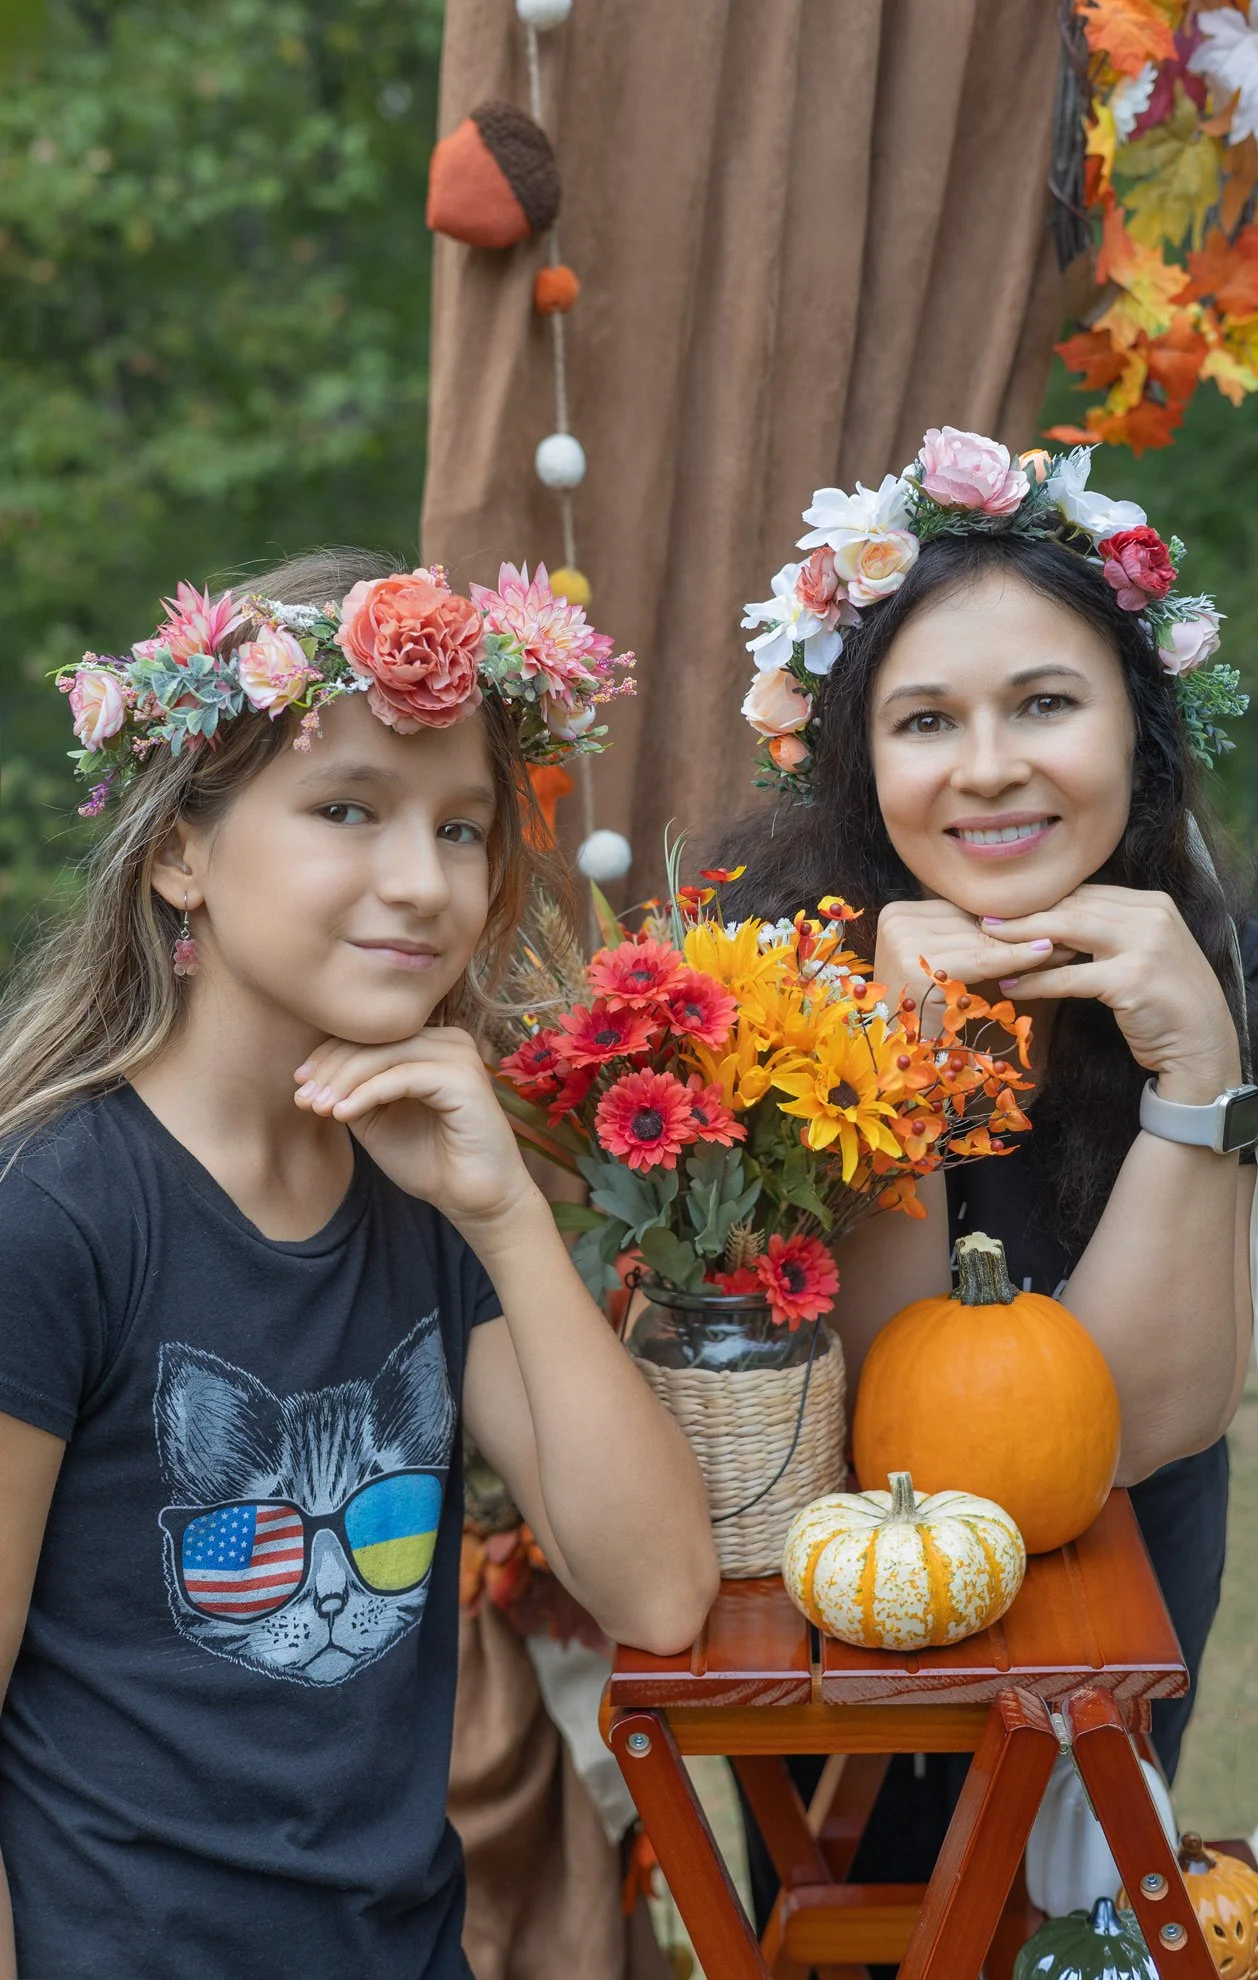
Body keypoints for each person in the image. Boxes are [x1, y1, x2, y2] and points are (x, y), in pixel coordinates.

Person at [0, 551, 719, 1980]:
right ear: (179, 851)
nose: (424, 884)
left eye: (462, 830)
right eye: (349, 811)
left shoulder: (431, 1192)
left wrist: (507, 1213)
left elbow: (659, 1594)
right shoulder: (54, 1218)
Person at [716, 428, 1258, 1937]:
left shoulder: (1241, 987)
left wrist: (1192, 1071)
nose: (988, 768)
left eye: (1045, 703)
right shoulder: (768, 980)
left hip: (1113, 1594)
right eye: (926, 720)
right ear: (858, 755)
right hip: (840, 1617)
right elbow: (886, 1429)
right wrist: (893, 1076)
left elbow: (1119, 1434)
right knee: (858, 1930)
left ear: (1139, 730)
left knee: (1078, 1926)